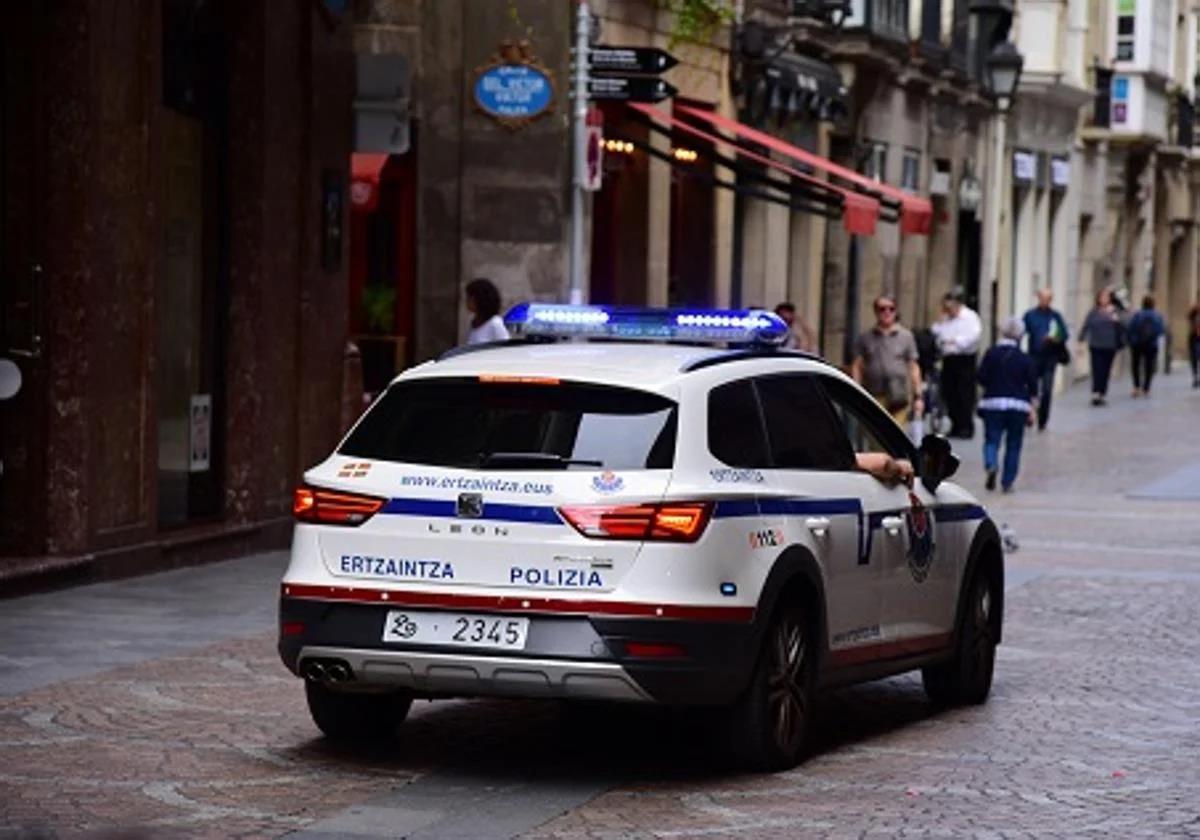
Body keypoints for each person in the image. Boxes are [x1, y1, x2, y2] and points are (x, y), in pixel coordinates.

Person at [977, 317, 1038, 494]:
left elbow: (981, 376)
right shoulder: (1024, 358)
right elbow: (1033, 386)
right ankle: (1007, 481)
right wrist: (1033, 408)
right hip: (1018, 406)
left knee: (991, 439)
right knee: (1014, 444)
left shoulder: (991, 353)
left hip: (993, 403)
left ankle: (991, 463)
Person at [850, 294, 923, 427]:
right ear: (876, 312)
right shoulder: (866, 337)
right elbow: (857, 365)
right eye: (882, 309)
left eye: (891, 308)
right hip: (875, 394)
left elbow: (913, 366)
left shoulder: (906, 336)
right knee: (876, 435)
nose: (887, 312)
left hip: (899, 394)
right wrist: (856, 390)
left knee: (896, 435)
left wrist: (918, 396)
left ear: (896, 311)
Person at [931, 289, 982, 439]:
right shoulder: (946, 318)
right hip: (949, 359)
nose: (948, 311)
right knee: (949, 393)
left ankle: (966, 426)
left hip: (964, 360)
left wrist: (954, 341)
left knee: (964, 394)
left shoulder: (970, 317)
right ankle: (955, 424)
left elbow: (972, 337)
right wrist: (941, 324)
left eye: (950, 307)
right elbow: (937, 333)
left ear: (958, 304)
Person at [1021, 288, 1070, 431]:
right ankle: (1029, 414)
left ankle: (1043, 420)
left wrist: (1055, 338)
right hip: (1034, 357)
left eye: (1048, 298)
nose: (1045, 301)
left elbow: (1064, 335)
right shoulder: (1030, 315)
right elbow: (1021, 331)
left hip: (1050, 358)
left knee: (1047, 390)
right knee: (1031, 388)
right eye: (1042, 298)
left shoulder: (1056, 316)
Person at [1078, 288, 1124, 406]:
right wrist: (1081, 340)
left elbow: (1122, 325)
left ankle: (1102, 392)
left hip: (1110, 345)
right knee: (1097, 369)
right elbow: (1086, 325)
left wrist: (1116, 319)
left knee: (1105, 370)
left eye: (1106, 297)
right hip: (1096, 344)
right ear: (1098, 299)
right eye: (1102, 297)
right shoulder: (1093, 312)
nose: (1104, 299)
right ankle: (1096, 393)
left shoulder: (1115, 311)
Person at [1127, 294, 1166, 397]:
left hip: (1137, 344)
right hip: (1151, 344)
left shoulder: (1137, 314)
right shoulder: (1157, 315)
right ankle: (1147, 388)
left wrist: (1132, 340)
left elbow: (1130, 328)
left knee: (1135, 365)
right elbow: (1161, 330)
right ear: (1153, 304)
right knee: (1149, 366)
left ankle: (1136, 387)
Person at [464, 278, 509, 345]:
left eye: (469, 298)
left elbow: (506, 348)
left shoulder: (495, 323)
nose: (466, 301)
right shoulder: (475, 323)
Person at [1189, 301, 1200, 388]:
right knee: (1194, 359)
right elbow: (1189, 318)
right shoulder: (1194, 312)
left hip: (1195, 339)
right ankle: (1195, 377)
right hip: (1194, 339)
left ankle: (1196, 377)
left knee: (1195, 359)